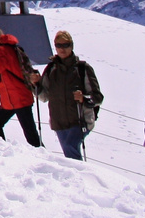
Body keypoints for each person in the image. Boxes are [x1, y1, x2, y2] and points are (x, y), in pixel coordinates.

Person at [39, 29, 102, 160]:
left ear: (71, 46)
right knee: (70, 154)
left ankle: (82, 178)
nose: (62, 49)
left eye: (66, 45)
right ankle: (80, 177)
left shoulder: (83, 69)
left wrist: (84, 98)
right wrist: (35, 84)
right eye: (59, 45)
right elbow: (44, 96)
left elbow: (98, 97)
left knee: (70, 146)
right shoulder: (51, 69)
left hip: (80, 120)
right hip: (59, 122)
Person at [0, 19, 42, 146]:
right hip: (14, 98)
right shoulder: (8, 47)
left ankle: (45, 160)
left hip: (17, 98)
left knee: (31, 137)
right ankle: (6, 150)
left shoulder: (1, 51)